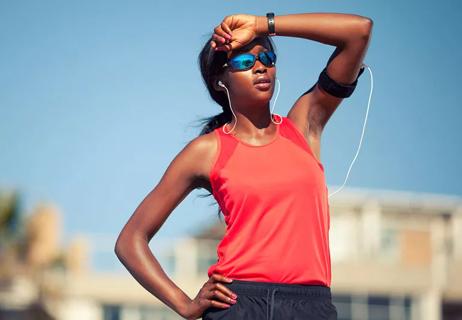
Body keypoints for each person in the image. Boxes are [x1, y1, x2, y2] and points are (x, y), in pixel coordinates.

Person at [115, 12, 373, 320]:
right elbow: (130, 241)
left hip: (310, 305)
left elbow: (359, 32)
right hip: (238, 305)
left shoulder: (304, 126)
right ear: (219, 80)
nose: (260, 66)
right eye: (243, 62)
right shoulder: (206, 150)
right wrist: (184, 304)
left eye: (266, 57)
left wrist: (263, 25)